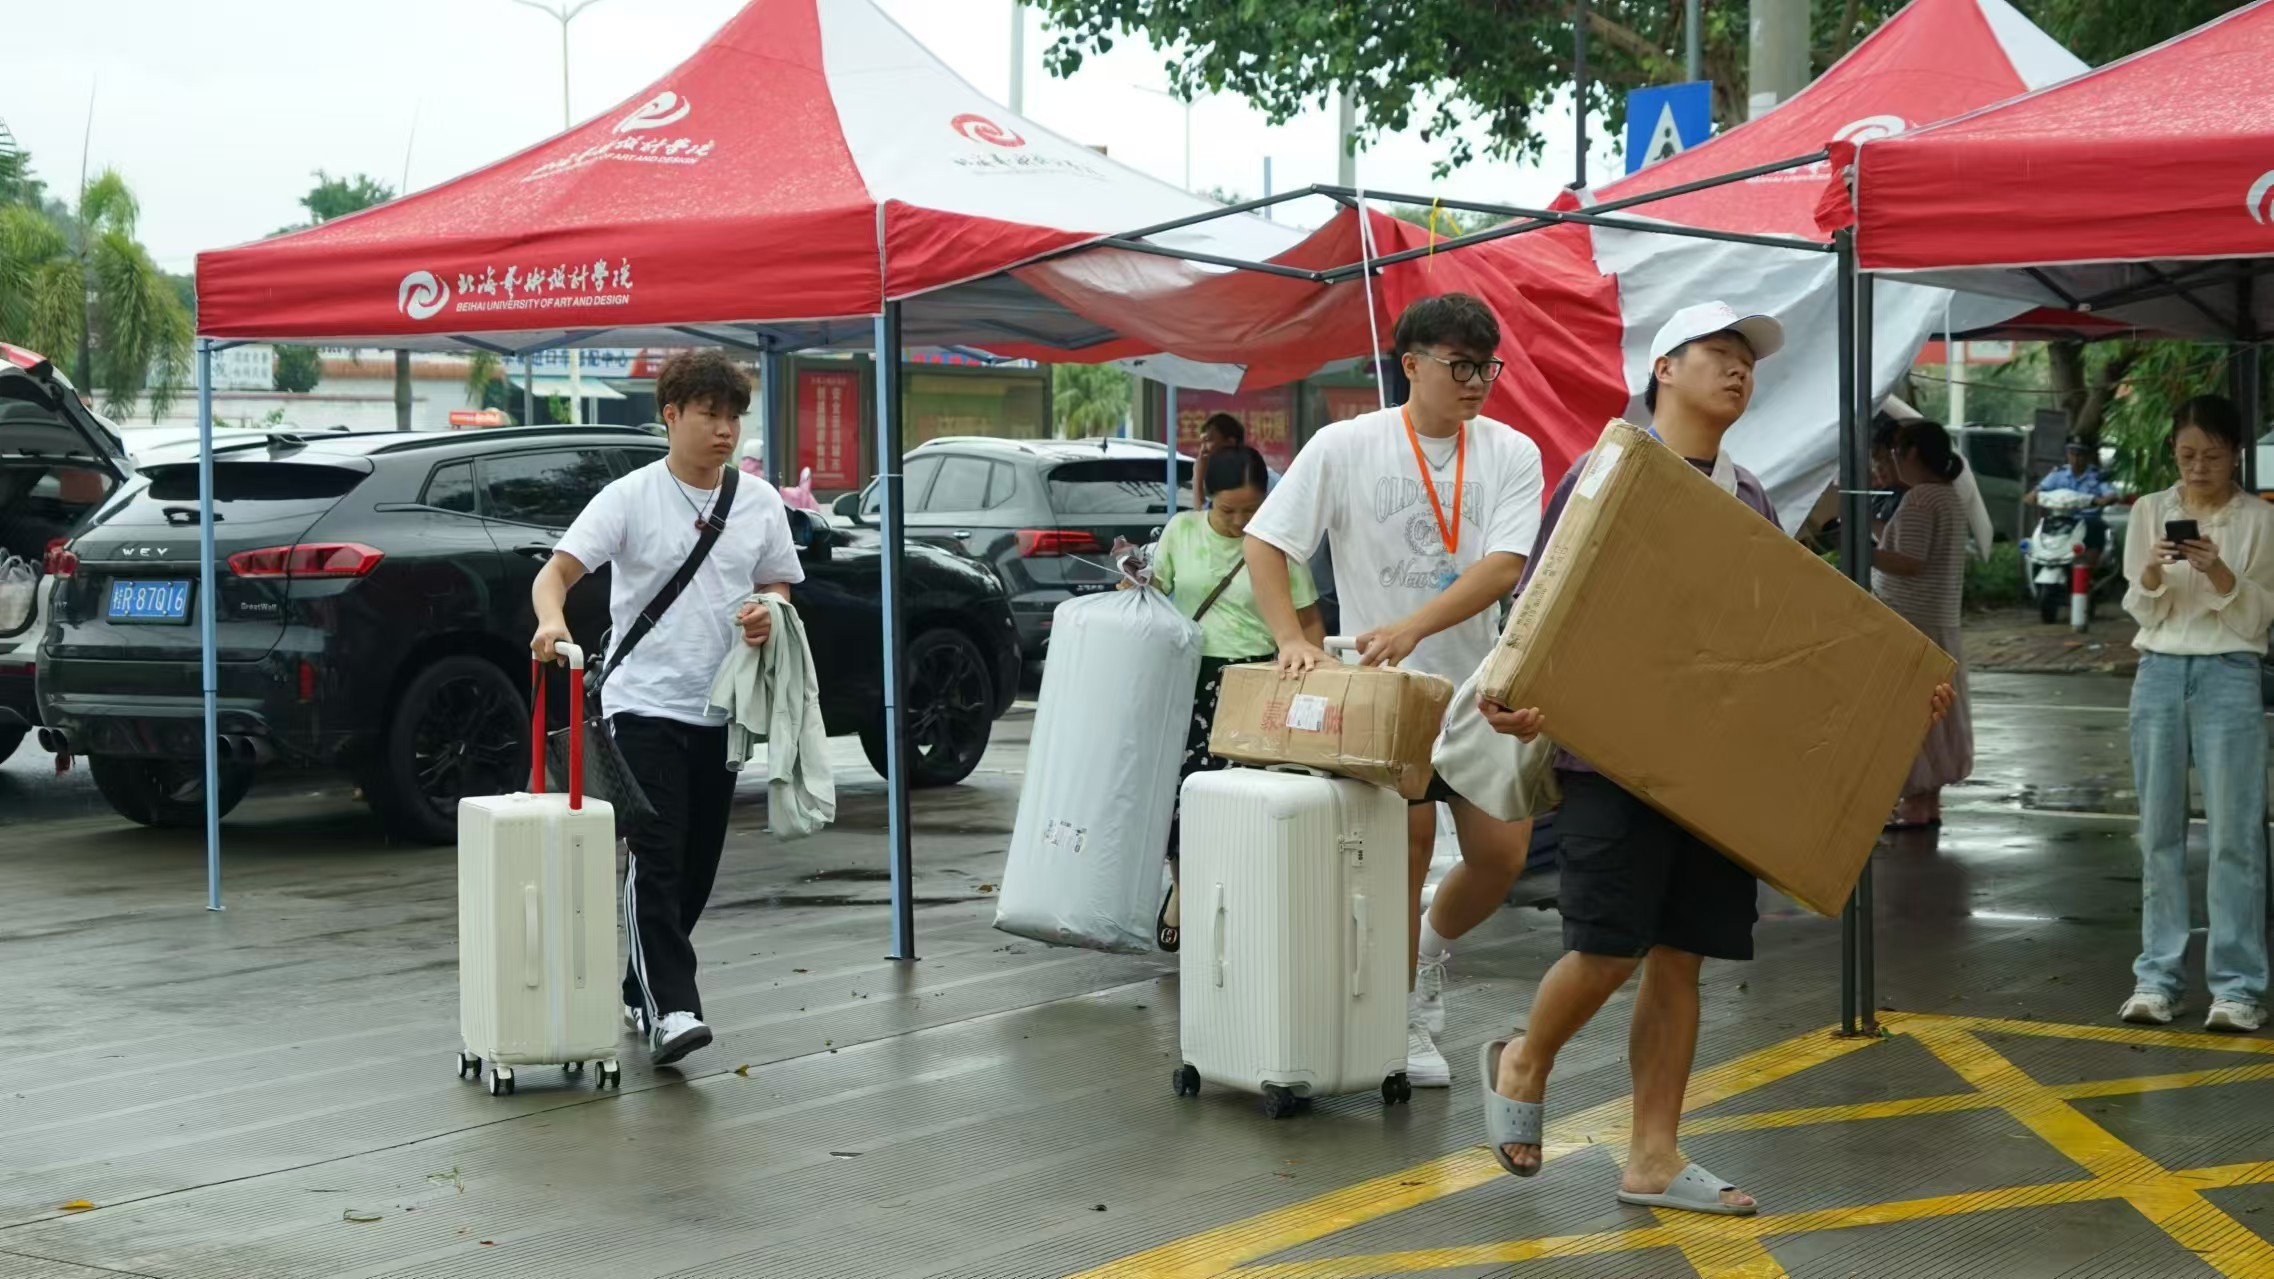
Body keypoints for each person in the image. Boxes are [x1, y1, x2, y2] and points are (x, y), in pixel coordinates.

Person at [1475, 301, 1953, 1215]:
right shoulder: (1608, 469)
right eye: (1719, 353)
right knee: (1607, 946)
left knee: (1682, 956)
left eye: (1748, 360)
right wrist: (1508, 695)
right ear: (1665, 368)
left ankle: (1653, 1156)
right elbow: (1538, 603)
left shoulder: (1748, 496)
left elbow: (1785, 644)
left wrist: (1897, 696)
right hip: (1608, 759)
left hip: (1710, 772)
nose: (1739, 370)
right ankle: (1527, 1056)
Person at [1244, 291, 1545, 1089]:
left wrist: (1412, 626)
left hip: (1478, 689)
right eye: (1459, 367)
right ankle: (1398, 1013)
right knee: (1402, 853)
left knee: (1501, 855)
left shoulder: (1511, 451)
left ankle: (1428, 951)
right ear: (1411, 363)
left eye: (1486, 368)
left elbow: (1504, 566)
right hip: (1384, 697)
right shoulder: (1346, 445)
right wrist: (1292, 639)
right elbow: (1266, 541)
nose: (1475, 383)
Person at [531, 350, 805, 1067]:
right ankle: (673, 1009)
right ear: (672, 415)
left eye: (733, 416)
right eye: (709, 415)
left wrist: (767, 612)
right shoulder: (630, 498)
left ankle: (638, 984)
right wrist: (552, 621)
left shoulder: (760, 503)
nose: (725, 430)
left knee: (695, 867)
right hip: (642, 705)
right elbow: (555, 574)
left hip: (722, 709)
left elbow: (778, 584)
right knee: (655, 855)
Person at [2118, 395, 2274, 1033]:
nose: (2199, 467)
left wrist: (2220, 573)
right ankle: (2156, 979)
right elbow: (2139, 607)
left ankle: (2238, 988)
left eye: (2211, 455)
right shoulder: (2149, 511)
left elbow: (2259, 617)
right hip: (2158, 671)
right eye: (2187, 455)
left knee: (2236, 835)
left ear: (2235, 453)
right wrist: (2154, 573)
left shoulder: (2259, 519)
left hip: (2230, 672)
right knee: (2158, 832)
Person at [1145, 444, 1326, 951]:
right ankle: (1183, 890)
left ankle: (1237, 898)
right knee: (1184, 797)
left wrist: (1315, 680)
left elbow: (1308, 619)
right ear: (1208, 498)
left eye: (1252, 509)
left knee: (1247, 803)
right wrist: (1131, 585)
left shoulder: (1274, 546)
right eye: (1228, 510)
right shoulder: (1181, 532)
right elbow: (1152, 592)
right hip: (1189, 684)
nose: (1241, 521)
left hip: (1257, 684)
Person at [1873, 419, 1975, 830]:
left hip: (1912, 624)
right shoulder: (1946, 496)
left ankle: (1914, 806)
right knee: (1936, 718)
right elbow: (1907, 544)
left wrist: (1860, 550)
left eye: (1894, 453)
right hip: (1938, 623)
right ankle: (1927, 804)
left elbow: (1909, 561)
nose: (1891, 461)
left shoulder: (1920, 498)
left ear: (1912, 452)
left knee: (1910, 715)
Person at [2027, 438, 2120, 567]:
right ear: (2067, 454)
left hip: (2087, 520)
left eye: (2080, 455)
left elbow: (2111, 495)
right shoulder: (2058, 474)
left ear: (2088, 457)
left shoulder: (2097, 476)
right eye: (2072, 454)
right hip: (2060, 519)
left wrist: (2103, 500)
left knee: (2096, 529)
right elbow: (2037, 491)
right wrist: (2034, 496)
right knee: (2037, 541)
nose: (2076, 459)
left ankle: (2087, 571)